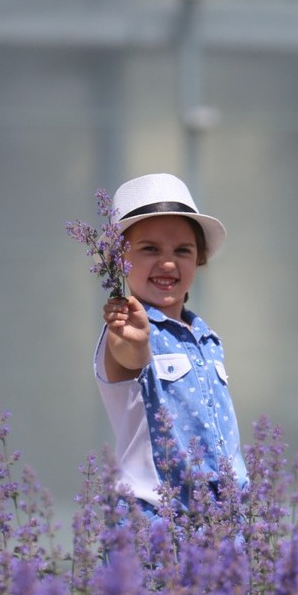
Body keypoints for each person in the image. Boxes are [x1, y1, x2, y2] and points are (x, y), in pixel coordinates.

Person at [94, 172, 248, 514]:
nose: (167, 262)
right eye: (150, 249)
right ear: (121, 260)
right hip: (157, 520)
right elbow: (132, 355)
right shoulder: (127, 330)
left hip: (223, 519)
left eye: (183, 250)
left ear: (200, 259)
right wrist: (134, 338)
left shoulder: (207, 339)